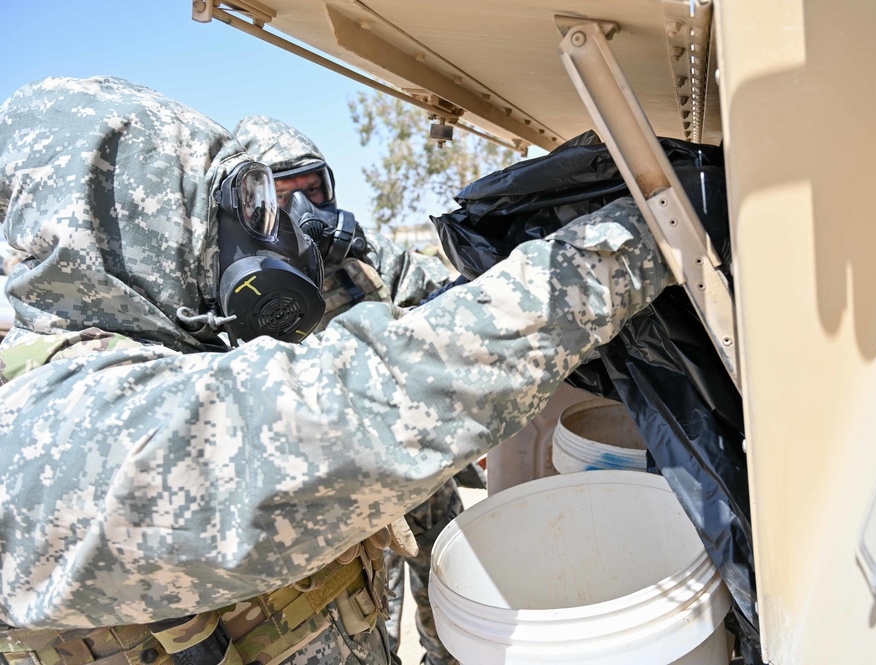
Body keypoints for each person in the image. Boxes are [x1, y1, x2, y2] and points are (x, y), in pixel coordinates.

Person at [0, 76, 673, 665]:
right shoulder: (40, 435)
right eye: (245, 204)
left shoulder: (181, 343)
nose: (278, 226)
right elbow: (349, 415)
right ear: (125, 222)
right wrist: (633, 243)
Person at [233, 114, 466, 664]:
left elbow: (441, 296)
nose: (303, 211)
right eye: (283, 197)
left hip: (416, 462)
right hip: (339, 496)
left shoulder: (364, 259)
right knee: (366, 611)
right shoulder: (243, 292)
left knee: (452, 577)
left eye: (311, 191)